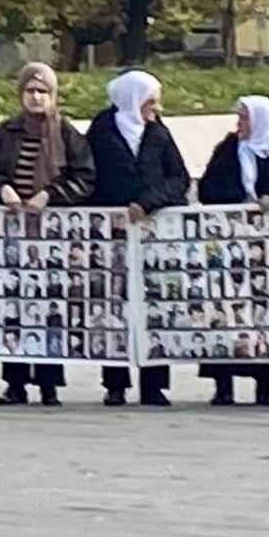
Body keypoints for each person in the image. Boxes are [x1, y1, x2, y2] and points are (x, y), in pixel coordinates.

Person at [0, 61, 95, 406]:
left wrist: (51, 195)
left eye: (43, 92)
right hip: (13, 234)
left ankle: (49, 382)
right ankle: (15, 382)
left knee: (48, 307)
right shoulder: (5, 133)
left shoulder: (67, 134)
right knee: (14, 307)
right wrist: (2, 189)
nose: (36, 97)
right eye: (30, 91)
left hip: (51, 235)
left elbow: (85, 178)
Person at [88, 69, 190, 407]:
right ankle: (115, 382)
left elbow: (179, 178)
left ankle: (154, 384)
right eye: (150, 100)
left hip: (150, 231)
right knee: (113, 306)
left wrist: (148, 202)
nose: (155, 107)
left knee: (153, 306)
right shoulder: (102, 132)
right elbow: (89, 175)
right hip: (113, 232)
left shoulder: (159, 133)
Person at [195, 95, 269, 406]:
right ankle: (223, 386)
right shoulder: (228, 151)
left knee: (264, 312)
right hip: (231, 243)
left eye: (245, 119)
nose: (239, 125)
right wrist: (239, 201)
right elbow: (208, 188)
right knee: (227, 311)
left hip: (267, 249)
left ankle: (265, 385)